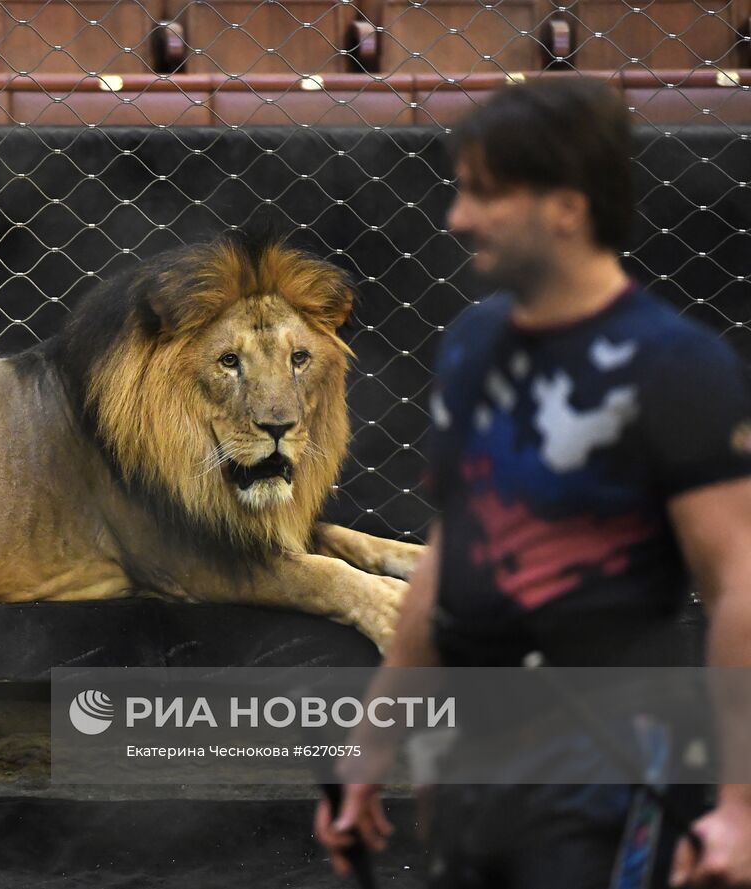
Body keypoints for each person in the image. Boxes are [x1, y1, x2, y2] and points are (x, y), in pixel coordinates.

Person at [313, 77, 751, 888]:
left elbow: (737, 588)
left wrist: (741, 804)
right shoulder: (474, 345)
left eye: (487, 194)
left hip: (611, 764)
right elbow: (450, 556)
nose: (460, 217)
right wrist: (372, 745)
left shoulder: (678, 366)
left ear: (568, 207)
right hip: (473, 761)